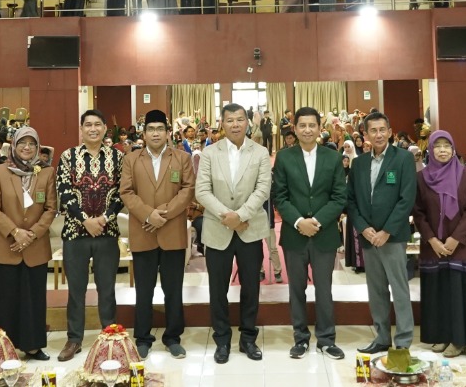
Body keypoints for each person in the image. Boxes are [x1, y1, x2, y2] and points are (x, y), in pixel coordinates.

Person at [195, 103, 272, 364]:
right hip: (218, 229)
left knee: (251, 287)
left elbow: (263, 189)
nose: (236, 124)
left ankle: (248, 338)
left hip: (249, 229)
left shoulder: (260, 152)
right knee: (218, 289)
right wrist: (226, 217)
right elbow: (202, 191)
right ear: (222, 124)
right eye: (230, 120)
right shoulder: (209, 153)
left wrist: (240, 216)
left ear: (247, 123)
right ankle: (222, 340)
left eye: (240, 120)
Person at [118, 109, 196, 360]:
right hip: (143, 231)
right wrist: (147, 215)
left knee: (173, 288)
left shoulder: (181, 158)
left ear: (167, 132)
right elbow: (126, 192)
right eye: (150, 129)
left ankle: (173, 337)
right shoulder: (131, 159)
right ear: (143, 133)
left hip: (172, 231)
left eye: (160, 129)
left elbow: (188, 190)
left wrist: (161, 213)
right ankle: (143, 337)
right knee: (144, 289)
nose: (155, 133)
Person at [272, 106, 348, 360]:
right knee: (297, 289)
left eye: (311, 125)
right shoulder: (284, 157)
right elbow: (280, 197)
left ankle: (327, 339)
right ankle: (301, 338)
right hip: (295, 236)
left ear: (319, 128)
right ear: (295, 129)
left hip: (323, 234)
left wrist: (315, 221)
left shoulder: (333, 157)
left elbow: (339, 197)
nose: (307, 130)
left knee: (324, 289)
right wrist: (298, 222)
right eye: (302, 125)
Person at [56, 110, 124, 363]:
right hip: (75, 234)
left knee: (107, 289)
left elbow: (121, 192)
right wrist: (85, 219)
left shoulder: (118, 157)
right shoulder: (67, 156)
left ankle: (109, 338)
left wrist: (103, 219)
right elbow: (64, 192)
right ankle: (74, 339)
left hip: (107, 233)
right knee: (76, 290)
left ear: (106, 128)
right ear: (81, 128)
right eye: (88, 125)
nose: (93, 129)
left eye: (98, 124)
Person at [348, 111, 417, 355]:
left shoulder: (403, 159)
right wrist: (364, 229)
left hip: (392, 237)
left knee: (399, 289)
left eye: (382, 130)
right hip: (368, 238)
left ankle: (403, 340)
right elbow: (352, 200)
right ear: (365, 135)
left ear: (389, 132)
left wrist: (386, 231)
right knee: (376, 290)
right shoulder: (359, 163)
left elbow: (406, 198)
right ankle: (381, 337)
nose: (378, 135)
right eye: (372, 131)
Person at [0, 127, 56, 361]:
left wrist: (31, 234)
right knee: (4, 299)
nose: (27, 148)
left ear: (38, 148)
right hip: (7, 244)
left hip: (35, 246)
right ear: (13, 146)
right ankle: (3, 348)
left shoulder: (46, 173)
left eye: (32, 144)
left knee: (34, 298)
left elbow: (50, 209)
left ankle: (33, 345)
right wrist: (15, 232)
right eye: (22, 143)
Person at [413, 130, 466, 357]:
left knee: (459, 292)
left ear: (453, 150)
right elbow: (419, 212)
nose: (442, 150)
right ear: (429, 150)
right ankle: (441, 335)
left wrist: (454, 239)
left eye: (447, 146)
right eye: (437, 146)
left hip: (461, 245)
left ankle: (459, 340)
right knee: (438, 292)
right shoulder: (422, 178)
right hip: (433, 246)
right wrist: (432, 239)